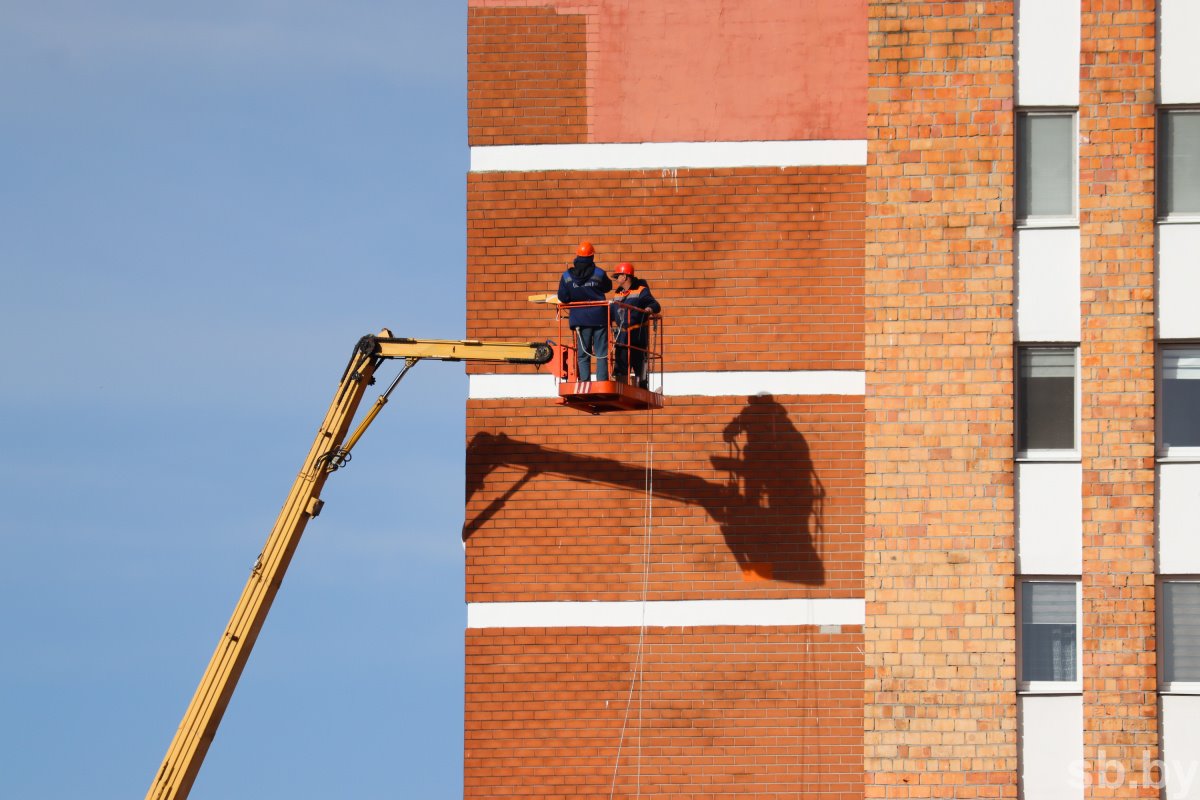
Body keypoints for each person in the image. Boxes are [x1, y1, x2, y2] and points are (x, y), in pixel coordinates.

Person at [557, 241, 613, 381]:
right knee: (601, 353)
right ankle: (602, 381)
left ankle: (584, 381)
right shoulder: (599, 273)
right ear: (591, 257)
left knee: (583, 353)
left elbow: (563, 297)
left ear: (577, 256)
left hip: (580, 320)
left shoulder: (567, 276)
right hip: (599, 318)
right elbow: (607, 287)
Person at [610, 262, 661, 388]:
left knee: (640, 367)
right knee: (620, 368)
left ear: (626, 276)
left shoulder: (641, 290)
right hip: (622, 339)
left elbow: (655, 305)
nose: (616, 279)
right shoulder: (618, 294)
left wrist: (649, 308)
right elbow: (612, 312)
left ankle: (643, 388)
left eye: (618, 276)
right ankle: (620, 390)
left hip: (637, 338)